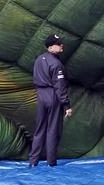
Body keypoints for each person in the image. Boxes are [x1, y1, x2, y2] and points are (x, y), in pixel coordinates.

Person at [29, 34, 72, 167]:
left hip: (40, 95)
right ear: (51, 47)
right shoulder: (56, 64)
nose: (61, 46)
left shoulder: (38, 59)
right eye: (58, 44)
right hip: (52, 95)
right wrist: (67, 105)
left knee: (39, 129)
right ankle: (51, 162)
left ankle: (33, 162)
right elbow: (60, 87)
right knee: (53, 129)